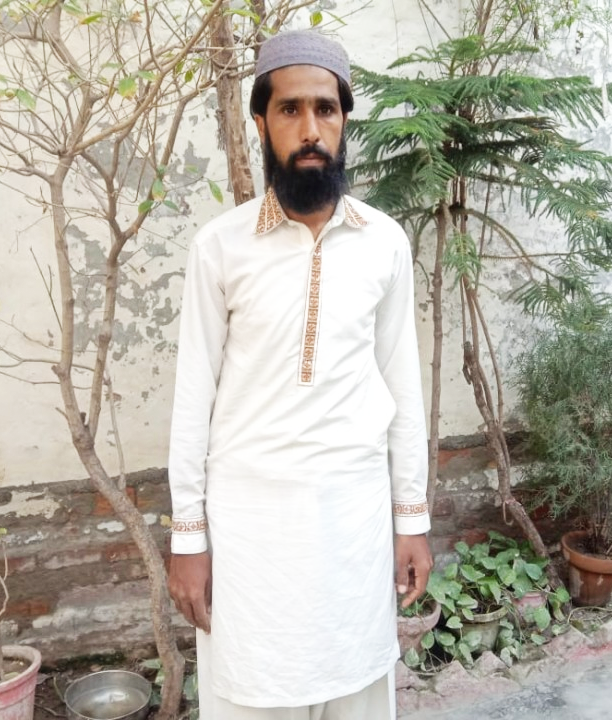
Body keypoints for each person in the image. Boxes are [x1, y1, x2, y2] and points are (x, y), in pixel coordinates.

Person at [167, 29, 432, 720]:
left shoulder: (384, 243)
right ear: (261, 122)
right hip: (250, 532)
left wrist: (411, 520)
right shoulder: (219, 248)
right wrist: (188, 539)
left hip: (353, 523)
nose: (310, 129)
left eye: (326, 109)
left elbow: (402, 389)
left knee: (354, 693)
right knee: (253, 694)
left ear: (344, 122)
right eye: (290, 109)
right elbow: (192, 400)